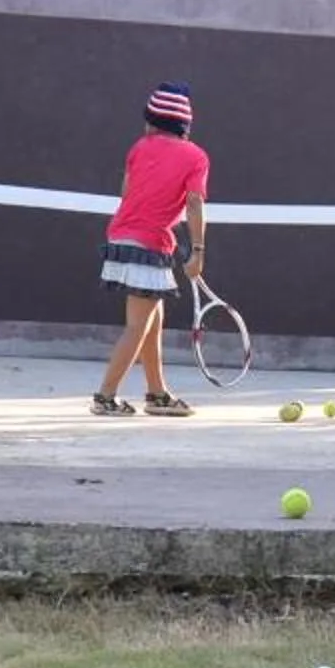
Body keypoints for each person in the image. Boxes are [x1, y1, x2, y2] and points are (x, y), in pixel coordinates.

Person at [91, 83, 210, 417]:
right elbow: (195, 203)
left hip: (121, 239)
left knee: (151, 321)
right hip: (148, 245)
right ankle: (106, 396)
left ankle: (157, 394)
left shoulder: (139, 147)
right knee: (137, 326)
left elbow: (127, 191)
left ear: (152, 122)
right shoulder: (196, 157)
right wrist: (198, 250)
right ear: (184, 126)